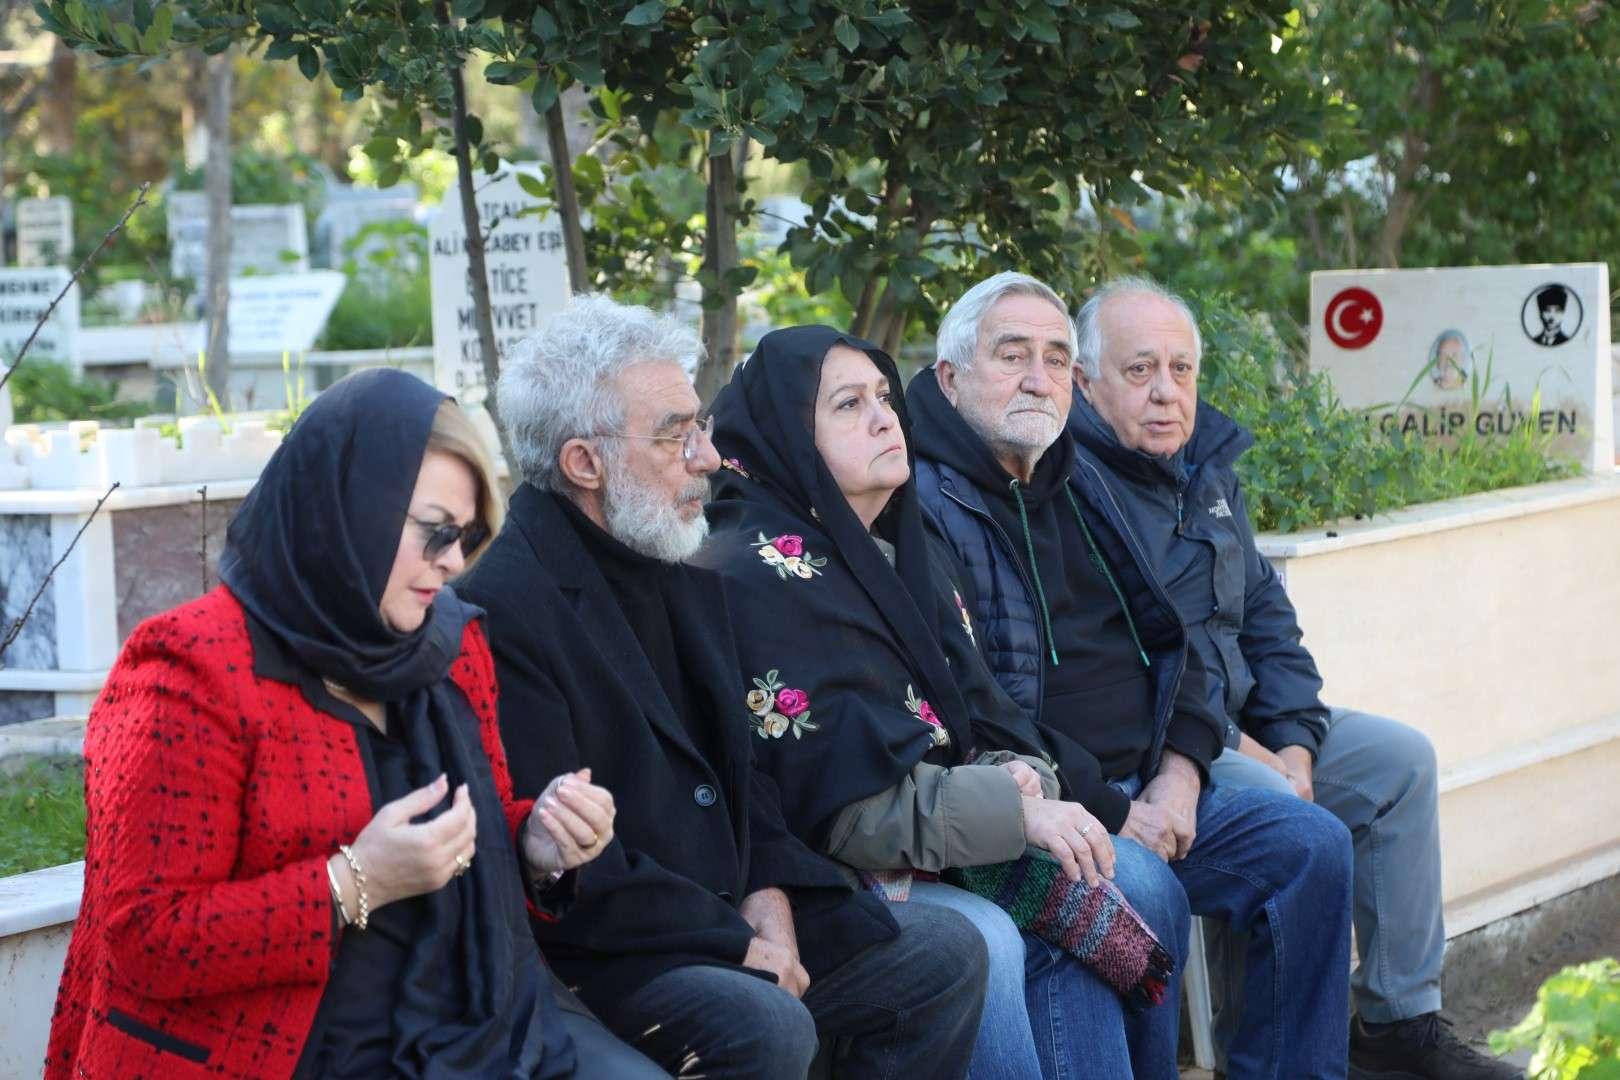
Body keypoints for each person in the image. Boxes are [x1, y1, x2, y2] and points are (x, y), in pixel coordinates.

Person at [45, 368, 661, 1080]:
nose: (452, 562)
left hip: (459, 1028)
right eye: (435, 532)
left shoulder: (451, 645)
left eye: (466, 537)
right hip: (269, 1052)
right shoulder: (189, 668)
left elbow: (480, 824)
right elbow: (146, 940)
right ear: (346, 511)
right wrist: (352, 882)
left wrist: (537, 842)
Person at [457, 295, 989, 1080]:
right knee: (765, 1022)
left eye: (699, 425)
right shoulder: (507, 607)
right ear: (584, 464)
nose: (707, 456)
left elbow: (746, 781)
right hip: (618, 951)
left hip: (731, 910)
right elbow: (568, 866)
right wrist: (738, 941)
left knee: (943, 955)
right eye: (676, 435)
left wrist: (769, 903)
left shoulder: (674, 554)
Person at [693, 325, 1190, 1079]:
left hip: (938, 832)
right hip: (828, 878)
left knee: (1108, 886)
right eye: (848, 405)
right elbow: (842, 808)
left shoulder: (893, 548)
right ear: (787, 436)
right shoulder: (757, 576)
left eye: (884, 396)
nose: (884, 418)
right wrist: (1016, 807)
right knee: (992, 935)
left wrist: (1021, 777)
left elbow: (979, 708)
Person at [1069, 276, 1521, 1080]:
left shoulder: (1208, 471)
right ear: (1085, 381)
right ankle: (1262, 1054)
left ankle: (1397, 1022)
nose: (1166, 391)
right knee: (1282, 815)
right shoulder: (1073, 488)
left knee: (1399, 763)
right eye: (1140, 370)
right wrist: (1252, 750)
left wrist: (1296, 741)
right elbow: (1143, 662)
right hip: (1171, 741)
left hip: (1253, 724)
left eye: (1181, 369)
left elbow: (1269, 626)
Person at [908, 270, 1356, 1079]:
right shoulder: (927, 506)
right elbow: (979, 710)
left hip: (1152, 778)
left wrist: (1181, 774)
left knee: (1312, 846)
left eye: (1055, 358)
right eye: (1012, 355)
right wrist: (1120, 811)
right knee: (1145, 886)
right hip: (1046, 802)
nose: (1038, 379)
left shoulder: (1075, 477)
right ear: (950, 377)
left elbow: (1177, 641)